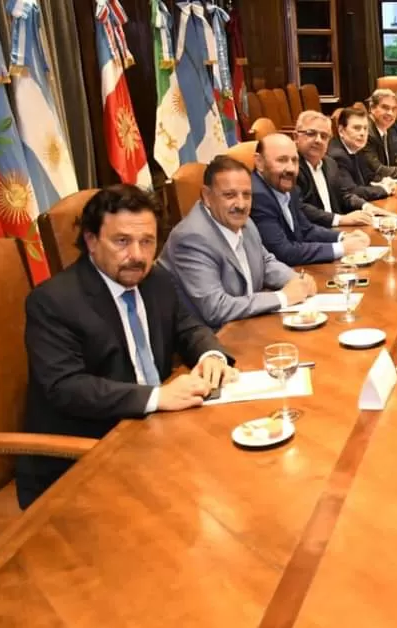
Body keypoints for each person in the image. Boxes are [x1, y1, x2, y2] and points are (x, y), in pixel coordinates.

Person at [20, 185, 236, 508]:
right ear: (92, 242)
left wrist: (211, 354)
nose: (137, 255)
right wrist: (157, 397)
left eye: (147, 242)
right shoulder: (53, 302)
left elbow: (186, 327)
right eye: (122, 241)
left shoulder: (155, 279)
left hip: (154, 434)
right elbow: (66, 387)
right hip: (85, 456)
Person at [159, 156, 317, 329]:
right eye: (229, 195)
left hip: (248, 326)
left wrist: (297, 280)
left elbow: (265, 262)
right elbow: (216, 309)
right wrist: (284, 297)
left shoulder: (244, 222)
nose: (241, 204)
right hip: (213, 341)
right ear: (207, 196)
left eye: (247, 195)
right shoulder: (191, 238)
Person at [251, 133, 371, 266]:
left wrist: (342, 237)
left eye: (294, 160)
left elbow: (306, 230)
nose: (291, 168)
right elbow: (284, 253)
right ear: (259, 162)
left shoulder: (286, 185)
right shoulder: (256, 196)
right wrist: (342, 248)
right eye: (282, 160)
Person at [293, 110, 382, 221]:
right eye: (311, 133)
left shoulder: (329, 164)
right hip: (315, 234)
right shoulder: (292, 167)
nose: (318, 140)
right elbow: (300, 207)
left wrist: (365, 206)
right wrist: (339, 220)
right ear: (296, 137)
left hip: (336, 230)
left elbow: (343, 195)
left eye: (324, 136)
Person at [328, 106, 397, 207]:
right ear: (341, 131)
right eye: (357, 128)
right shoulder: (337, 156)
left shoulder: (357, 148)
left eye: (365, 128)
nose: (362, 133)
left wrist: (384, 180)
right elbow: (353, 191)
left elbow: (369, 176)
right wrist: (384, 189)